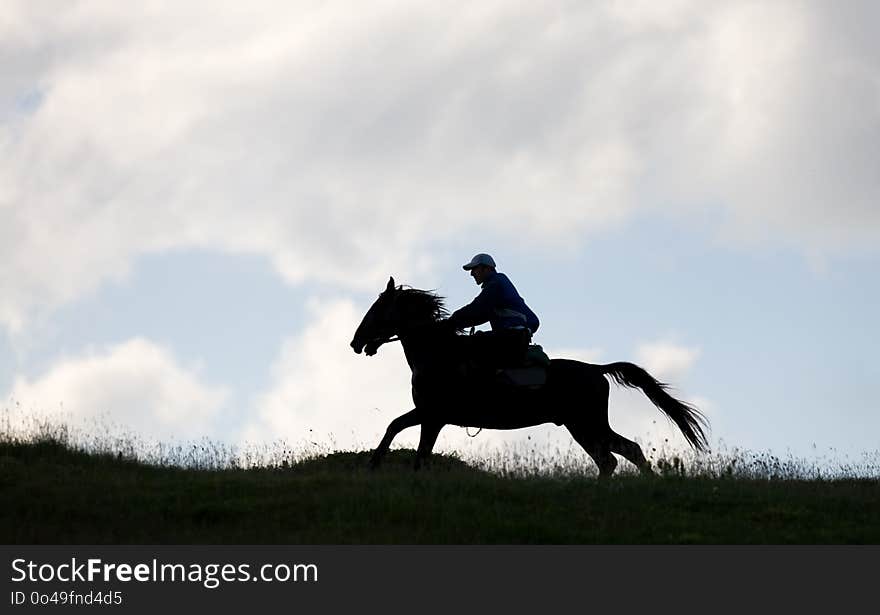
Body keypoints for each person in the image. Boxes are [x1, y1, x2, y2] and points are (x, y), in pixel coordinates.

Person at [446, 253, 539, 369]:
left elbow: (478, 307)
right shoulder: (497, 283)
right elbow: (480, 315)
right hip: (514, 337)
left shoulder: (496, 283)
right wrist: (455, 323)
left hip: (512, 337)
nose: (471, 273)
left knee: (470, 344)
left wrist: (450, 323)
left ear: (486, 268)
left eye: (474, 269)